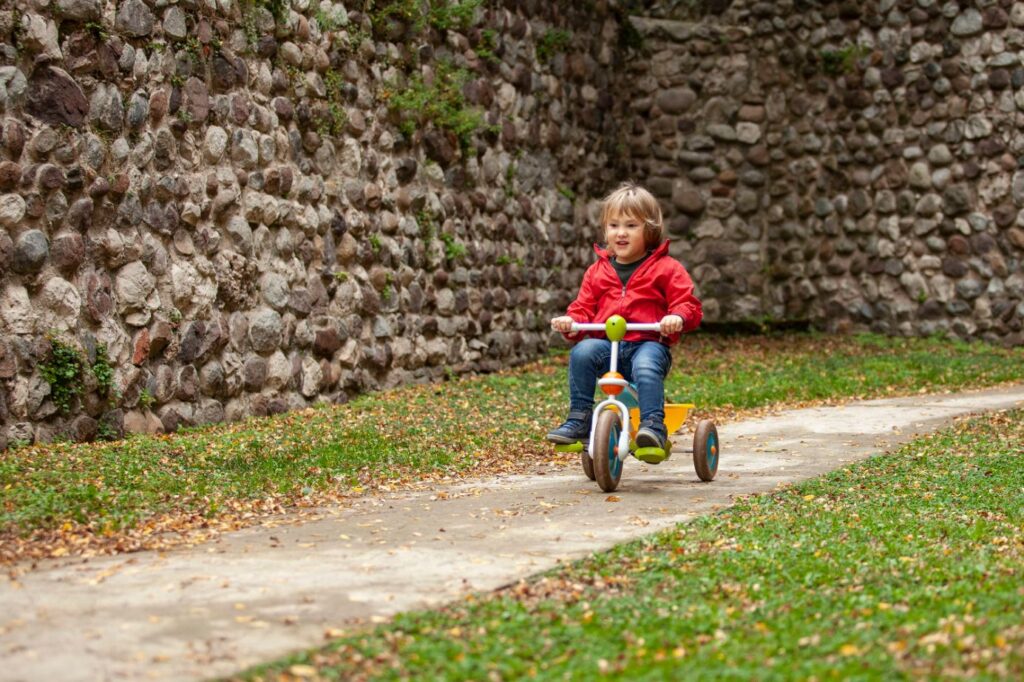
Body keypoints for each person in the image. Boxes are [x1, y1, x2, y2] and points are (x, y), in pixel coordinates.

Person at [547, 183, 702, 451]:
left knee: (645, 365)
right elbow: (583, 307)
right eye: (614, 225)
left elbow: (687, 304)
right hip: (608, 347)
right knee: (583, 352)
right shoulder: (597, 271)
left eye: (631, 226)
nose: (621, 233)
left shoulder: (667, 268)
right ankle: (580, 418)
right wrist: (571, 322)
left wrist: (676, 316)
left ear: (649, 230)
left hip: (649, 344)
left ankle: (653, 425)